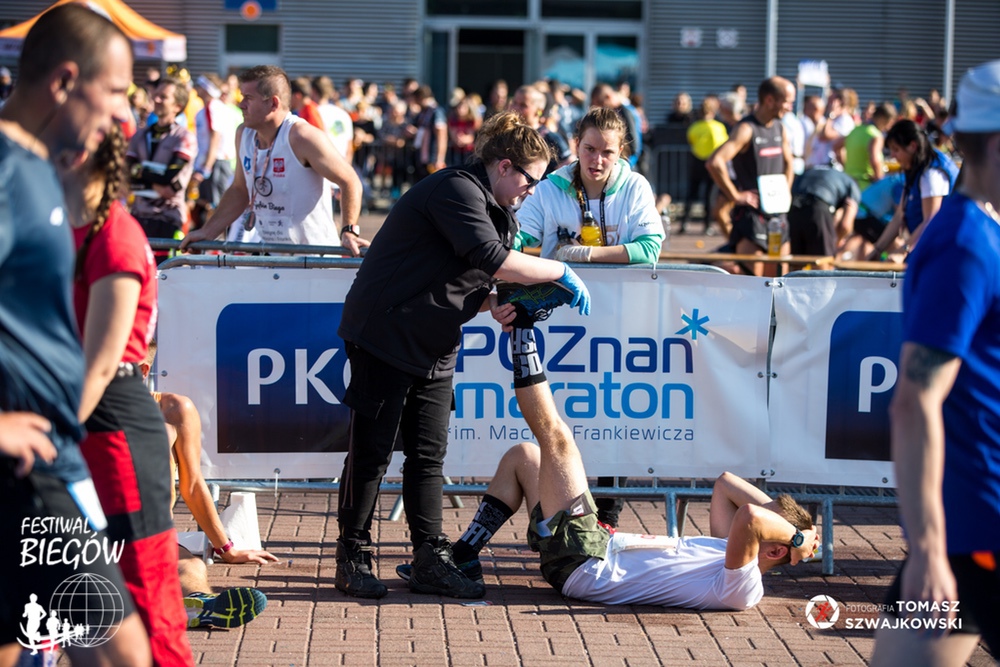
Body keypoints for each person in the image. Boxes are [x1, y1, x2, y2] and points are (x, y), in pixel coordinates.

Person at [398, 295, 819, 610]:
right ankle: (464, 556)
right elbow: (726, 485)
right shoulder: (727, 549)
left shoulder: (743, 586)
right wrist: (793, 523)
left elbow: (751, 518)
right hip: (593, 546)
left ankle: (523, 326)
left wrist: (799, 539)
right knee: (525, 456)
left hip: (588, 562)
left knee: (557, 439)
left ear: (775, 550)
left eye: (778, 537)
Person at [334, 110, 591, 600]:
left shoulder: (496, 205)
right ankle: (353, 555)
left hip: (433, 339)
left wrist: (495, 303)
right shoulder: (456, 189)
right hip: (385, 332)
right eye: (531, 180)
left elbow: (470, 272)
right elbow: (491, 258)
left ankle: (430, 556)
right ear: (504, 166)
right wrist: (559, 270)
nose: (532, 191)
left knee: (428, 455)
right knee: (372, 452)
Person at [0, 5, 150, 666]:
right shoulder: (7, 172)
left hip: (45, 456)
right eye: (115, 91)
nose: (124, 114)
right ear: (65, 81)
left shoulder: (38, 169)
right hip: (30, 466)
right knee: (119, 651)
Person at [869, 60, 1000, 666]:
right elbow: (914, 399)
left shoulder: (981, 231)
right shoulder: (963, 245)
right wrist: (927, 550)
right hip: (975, 531)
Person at [69, 123, 194, 666]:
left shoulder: (115, 237)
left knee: (148, 607)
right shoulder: (60, 229)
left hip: (108, 427)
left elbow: (101, 363)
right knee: (69, 605)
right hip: (73, 422)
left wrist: (47, 436)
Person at [135, 345, 274, 630]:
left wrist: (227, 550)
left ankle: (200, 606)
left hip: (149, 538)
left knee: (191, 566)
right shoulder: (77, 407)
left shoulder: (174, 409)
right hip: (88, 537)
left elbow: (193, 486)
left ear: (142, 371)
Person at [179, 65, 366, 255]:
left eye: (248, 98)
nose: (241, 104)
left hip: (313, 257)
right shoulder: (244, 134)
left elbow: (350, 180)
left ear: (273, 103)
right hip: (272, 255)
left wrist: (349, 231)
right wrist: (207, 232)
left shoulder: (302, 136)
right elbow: (240, 190)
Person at [514, 105, 664, 266]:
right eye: (590, 149)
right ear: (577, 145)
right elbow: (515, 239)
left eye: (607, 152)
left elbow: (649, 250)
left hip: (619, 283)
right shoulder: (548, 189)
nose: (597, 160)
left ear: (619, 152)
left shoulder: (635, 187)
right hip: (561, 283)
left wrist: (586, 253)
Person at [707, 76, 795, 276]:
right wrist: (735, 196)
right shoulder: (746, 129)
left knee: (781, 279)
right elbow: (715, 162)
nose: (790, 108)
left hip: (778, 214)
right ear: (770, 100)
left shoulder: (780, 128)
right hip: (752, 217)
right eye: (787, 102)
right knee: (753, 281)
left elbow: (789, 163)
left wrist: (785, 192)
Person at [867, 119, 959, 259]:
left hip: (945, 250)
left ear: (912, 146)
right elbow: (900, 215)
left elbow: (931, 220)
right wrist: (877, 250)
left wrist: (903, 251)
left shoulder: (931, 174)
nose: (892, 155)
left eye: (896, 150)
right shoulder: (914, 168)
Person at [126, 76, 197, 251]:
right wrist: (155, 183)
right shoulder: (139, 135)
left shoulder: (184, 137)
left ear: (177, 106)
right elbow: (126, 174)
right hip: (138, 215)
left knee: (164, 267)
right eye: (155, 95)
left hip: (168, 218)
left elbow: (168, 180)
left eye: (163, 97)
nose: (156, 100)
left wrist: (140, 173)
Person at [191, 74, 238, 229]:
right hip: (212, 162)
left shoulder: (213, 108)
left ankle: (218, 240)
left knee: (216, 206)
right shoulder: (209, 108)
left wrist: (206, 167)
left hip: (216, 162)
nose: (196, 88)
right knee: (206, 204)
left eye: (200, 85)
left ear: (207, 89)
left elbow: (215, 138)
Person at [787, 167, 860, 257]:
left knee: (797, 261)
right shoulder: (853, 186)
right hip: (818, 208)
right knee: (823, 261)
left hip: (794, 207)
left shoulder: (819, 172)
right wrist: (837, 240)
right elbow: (845, 225)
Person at [683, 95, 729, 234]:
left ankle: (684, 223)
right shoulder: (718, 127)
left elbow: (691, 140)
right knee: (709, 195)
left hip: (697, 161)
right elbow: (722, 144)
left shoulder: (695, 127)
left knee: (692, 193)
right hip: (712, 162)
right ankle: (707, 225)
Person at [838, 102, 896, 191]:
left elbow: (836, 146)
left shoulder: (855, 130)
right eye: (890, 123)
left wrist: (846, 166)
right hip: (865, 187)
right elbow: (875, 160)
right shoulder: (876, 135)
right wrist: (880, 182)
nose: (889, 127)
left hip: (847, 183)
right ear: (883, 119)